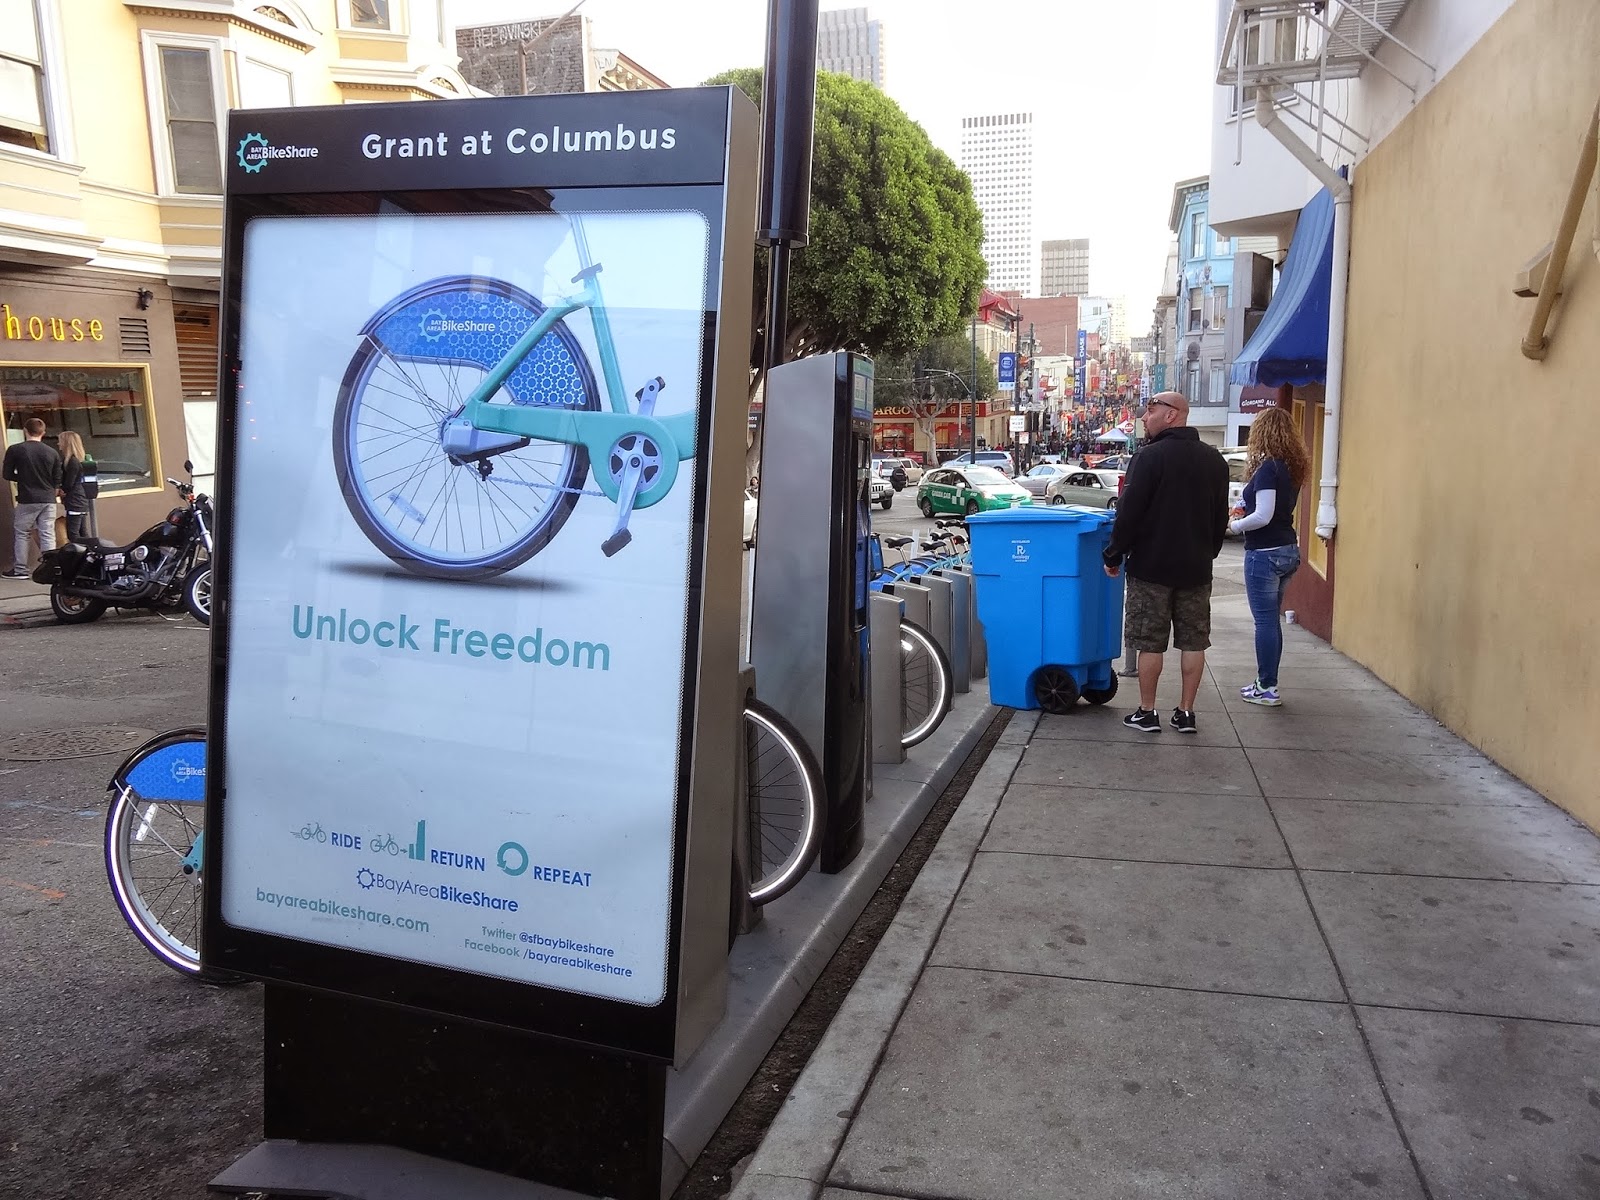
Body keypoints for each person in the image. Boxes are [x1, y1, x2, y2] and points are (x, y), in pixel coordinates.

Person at [1101, 391, 1229, 734]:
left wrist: (1113, 554)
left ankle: (1147, 711)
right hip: (1196, 569)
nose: (1145, 417)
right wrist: (1208, 552)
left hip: (1151, 569)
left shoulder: (1149, 457)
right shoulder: (1214, 461)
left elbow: (1129, 513)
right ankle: (1186, 713)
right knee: (1194, 641)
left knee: (1150, 642)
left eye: (1151, 409)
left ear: (1172, 414)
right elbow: (1221, 518)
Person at [1227, 407, 1310, 706]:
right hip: (1287, 550)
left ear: (1262, 434)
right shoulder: (1291, 469)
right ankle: (1266, 682)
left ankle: (1267, 686)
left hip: (1265, 554)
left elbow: (1263, 515)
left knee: (1264, 622)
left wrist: (1235, 526)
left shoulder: (1268, 469)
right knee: (1271, 621)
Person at [4, 418, 63, 578]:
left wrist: (24, 478)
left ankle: (21, 570)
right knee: (47, 533)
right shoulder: (52, 452)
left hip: (27, 497)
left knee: (22, 533)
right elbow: (57, 478)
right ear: (43, 433)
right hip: (48, 497)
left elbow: (7, 474)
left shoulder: (15, 449)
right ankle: (50, 569)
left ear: (25, 431)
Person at [57, 430, 92, 543]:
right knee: (83, 532)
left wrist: (61, 491)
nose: (58, 444)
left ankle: (82, 552)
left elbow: (69, 484)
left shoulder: (72, 462)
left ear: (66, 443)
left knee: (73, 534)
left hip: (74, 501)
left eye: (60, 441)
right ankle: (90, 550)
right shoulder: (78, 460)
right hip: (80, 499)